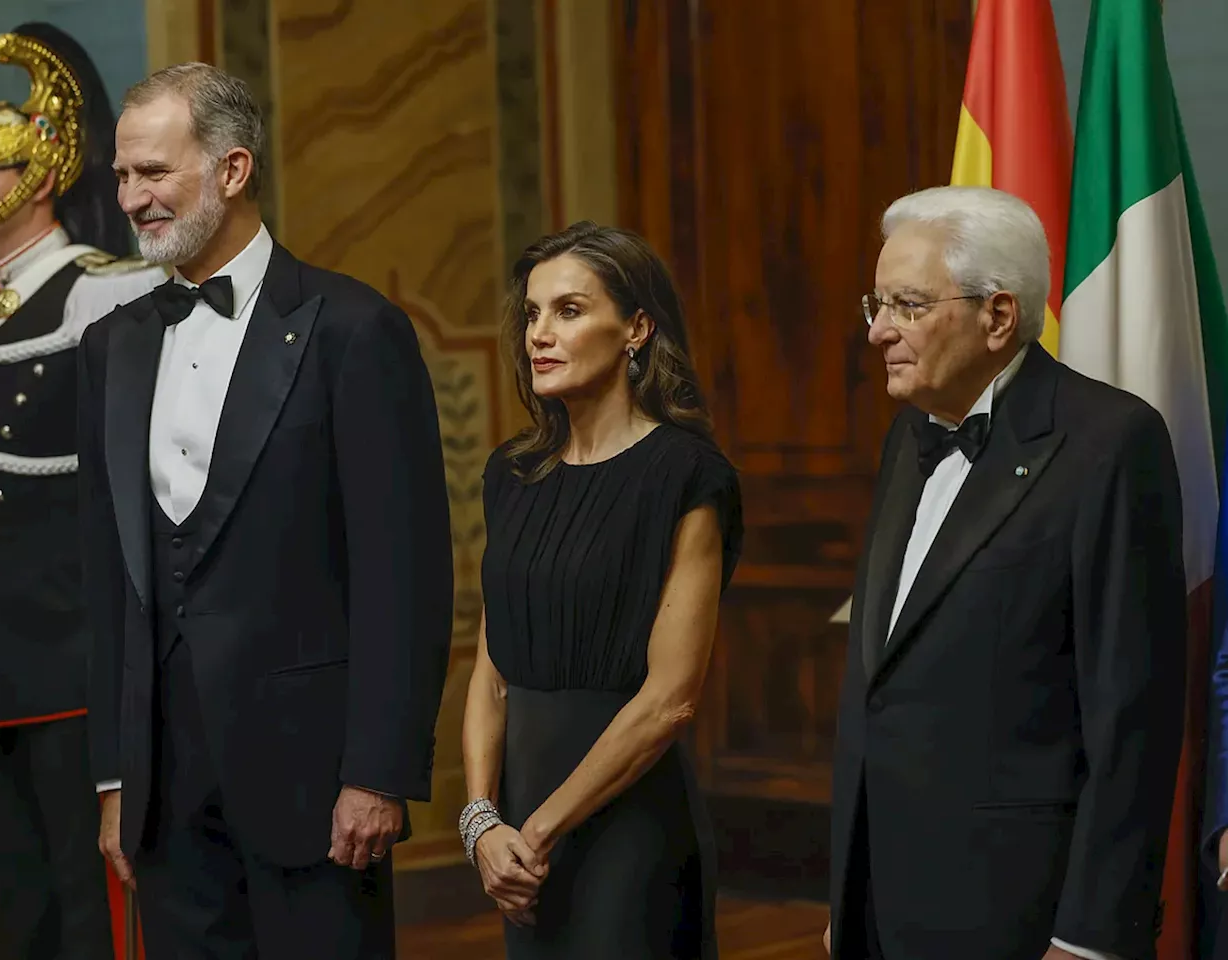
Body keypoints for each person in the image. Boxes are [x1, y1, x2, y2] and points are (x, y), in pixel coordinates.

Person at [77, 62, 454, 958]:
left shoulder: (355, 331)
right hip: (162, 791)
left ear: (233, 170)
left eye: (154, 172)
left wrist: (378, 772)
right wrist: (114, 776)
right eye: (123, 175)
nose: (131, 198)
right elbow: (107, 580)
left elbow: (404, 576)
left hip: (314, 781)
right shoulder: (110, 347)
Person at [823, 185, 1186, 960]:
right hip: (879, 900)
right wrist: (846, 895)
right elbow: (883, 685)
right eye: (876, 304)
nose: (879, 331)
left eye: (908, 306)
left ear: (998, 315)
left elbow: (1133, 720)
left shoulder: (1111, 443)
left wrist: (1091, 936)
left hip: (1017, 914)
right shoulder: (907, 437)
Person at [460, 221, 743, 959]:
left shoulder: (686, 475)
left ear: (637, 328)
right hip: (517, 834)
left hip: (628, 832)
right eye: (532, 313)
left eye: (570, 311)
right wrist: (482, 821)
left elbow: (670, 699)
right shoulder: (511, 475)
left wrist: (541, 829)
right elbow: (492, 671)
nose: (539, 335)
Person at [0, 23, 164, 959]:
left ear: (37, 176)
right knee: (18, 906)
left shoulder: (109, 298)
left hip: (72, 658)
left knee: (92, 908)